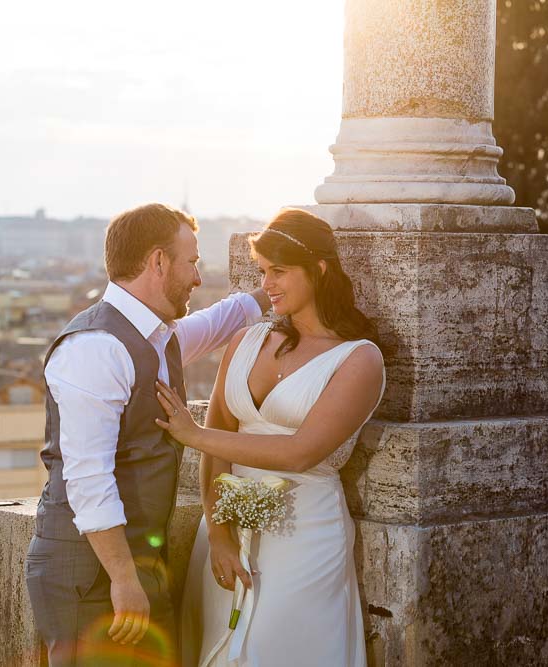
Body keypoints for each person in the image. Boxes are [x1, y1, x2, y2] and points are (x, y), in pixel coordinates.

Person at [25, 202, 271, 667]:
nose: (198, 277)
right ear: (158, 262)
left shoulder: (156, 338)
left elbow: (217, 322)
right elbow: (88, 478)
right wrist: (122, 577)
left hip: (131, 565)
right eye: (192, 262)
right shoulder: (94, 349)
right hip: (92, 571)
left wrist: (271, 290)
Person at [154, 208, 386, 667]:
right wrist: (218, 534)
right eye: (263, 272)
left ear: (319, 269)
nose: (268, 285)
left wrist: (193, 436)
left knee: (281, 650)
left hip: (306, 535)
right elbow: (221, 434)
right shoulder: (246, 341)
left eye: (279, 272)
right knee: (220, 648)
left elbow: (300, 453)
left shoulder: (360, 359)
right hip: (226, 528)